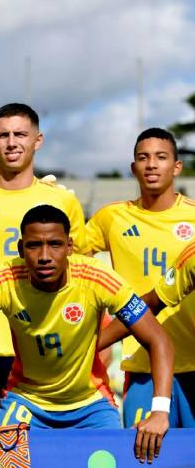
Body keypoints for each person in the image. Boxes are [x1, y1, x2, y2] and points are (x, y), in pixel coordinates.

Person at [0, 205, 173, 463]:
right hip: (27, 402)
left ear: (69, 247)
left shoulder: (97, 278)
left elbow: (158, 338)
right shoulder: (2, 280)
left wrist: (160, 412)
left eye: (54, 244)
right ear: (20, 249)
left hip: (91, 405)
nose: (44, 256)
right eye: (34, 245)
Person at [0, 103, 88, 421]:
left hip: (44, 349)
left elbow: (81, 280)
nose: (11, 142)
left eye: (20, 134)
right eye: (3, 135)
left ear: (38, 140)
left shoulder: (63, 202)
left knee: (40, 457)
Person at [87, 127, 195, 427]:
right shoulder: (111, 218)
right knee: (143, 460)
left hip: (193, 360)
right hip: (141, 363)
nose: (151, 165)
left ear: (176, 166)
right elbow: (61, 252)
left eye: (160, 157)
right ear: (133, 167)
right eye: (143, 158)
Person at [99, 239, 195, 427]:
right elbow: (150, 304)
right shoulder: (192, 257)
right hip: (151, 373)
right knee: (141, 448)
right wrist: (89, 346)